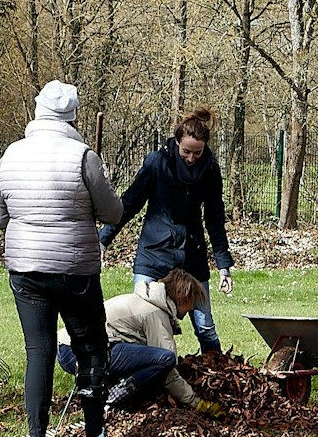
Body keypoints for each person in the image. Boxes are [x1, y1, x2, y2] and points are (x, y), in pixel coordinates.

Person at [0, 80, 124, 437]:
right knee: (90, 349)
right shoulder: (84, 157)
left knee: (39, 352)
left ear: (37, 112)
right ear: (73, 116)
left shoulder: (11, 155)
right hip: (75, 271)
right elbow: (113, 213)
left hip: (25, 271)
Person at [100, 106, 236, 354]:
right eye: (186, 152)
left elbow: (215, 219)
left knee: (205, 327)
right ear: (176, 143)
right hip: (154, 255)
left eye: (197, 152)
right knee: (142, 321)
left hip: (192, 257)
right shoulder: (157, 163)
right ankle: (143, 372)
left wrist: (223, 265)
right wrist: (102, 240)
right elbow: (130, 203)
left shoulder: (210, 170)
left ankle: (217, 369)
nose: (191, 158)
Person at [56, 269, 227, 418]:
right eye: (192, 302)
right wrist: (196, 402)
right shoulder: (155, 313)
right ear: (182, 297)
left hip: (67, 347)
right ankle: (113, 395)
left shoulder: (145, 301)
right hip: (78, 354)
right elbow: (168, 370)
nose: (192, 308)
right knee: (166, 359)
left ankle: (107, 387)